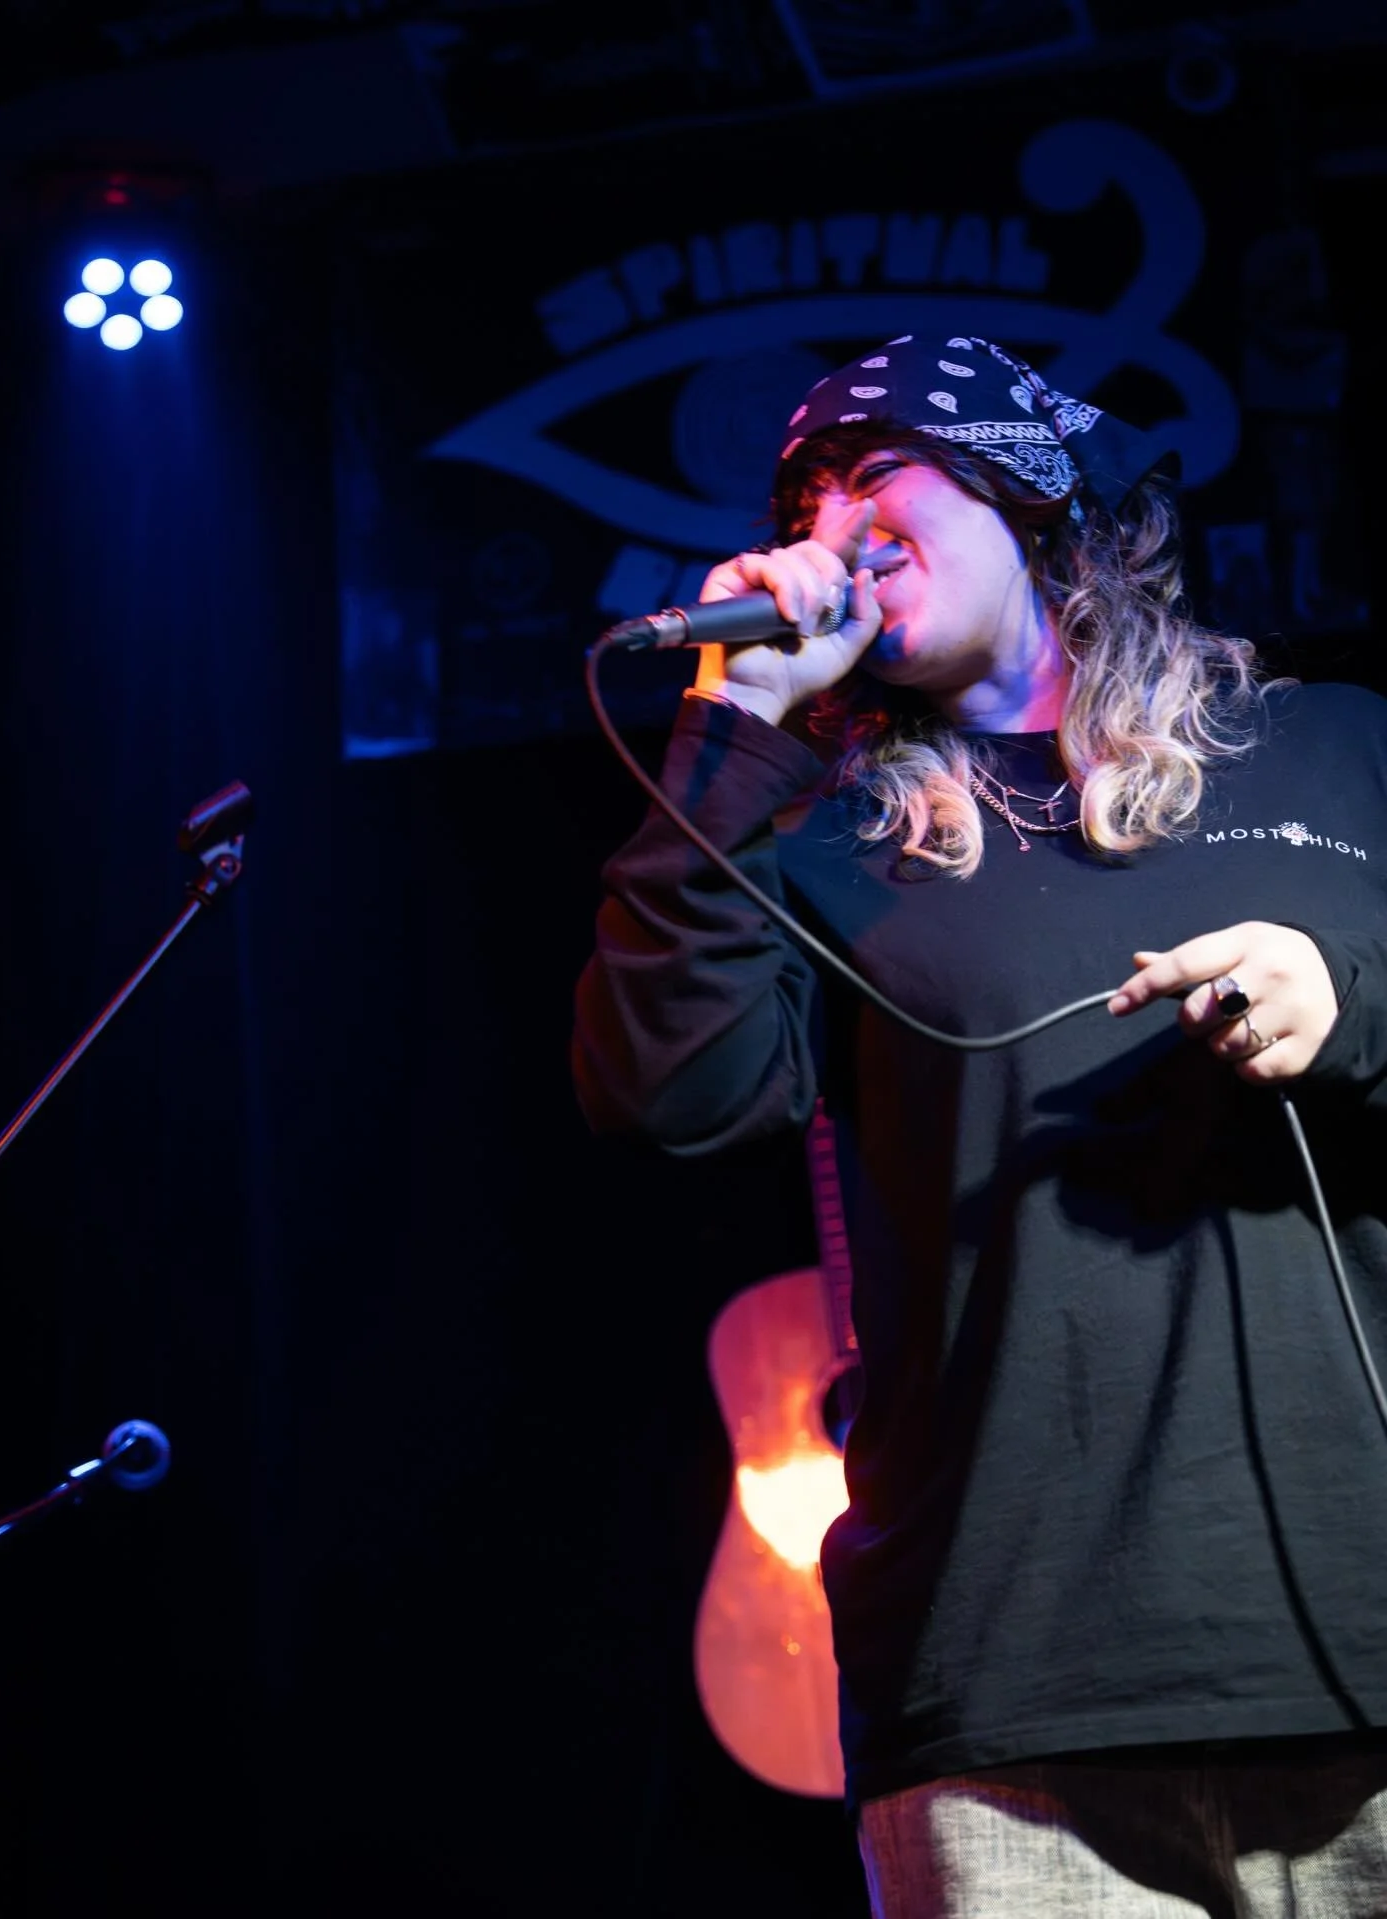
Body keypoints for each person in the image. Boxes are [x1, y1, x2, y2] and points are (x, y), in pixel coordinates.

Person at [570, 330, 1387, 1914]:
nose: (832, 524)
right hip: (1014, 1696)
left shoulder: (1342, 750)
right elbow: (659, 1098)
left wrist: (1349, 1000)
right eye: (803, 499)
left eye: (878, 473)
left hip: (1358, 1641)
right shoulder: (822, 852)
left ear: (1029, 495)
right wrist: (732, 734)